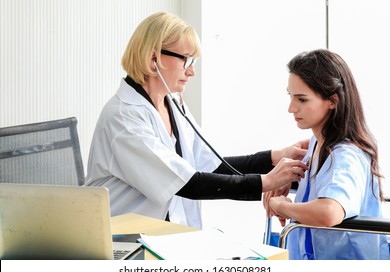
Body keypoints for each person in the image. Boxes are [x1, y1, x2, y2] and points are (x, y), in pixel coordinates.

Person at [85, 11, 308, 229]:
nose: (191, 72)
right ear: (154, 58)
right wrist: (266, 182)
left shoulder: (172, 104)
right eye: (186, 60)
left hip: (163, 232)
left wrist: (274, 158)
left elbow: (213, 165)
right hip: (124, 242)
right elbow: (188, 184)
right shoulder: (123, 116)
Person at [265, 49, 390, 259]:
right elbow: (322, 185)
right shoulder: (317, 143)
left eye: (302, 99)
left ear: (332, 101)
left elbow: (329, 211)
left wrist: (282, 206)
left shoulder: (346, 155)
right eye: (291, 96)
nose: (291, 108)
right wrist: (286, 179)